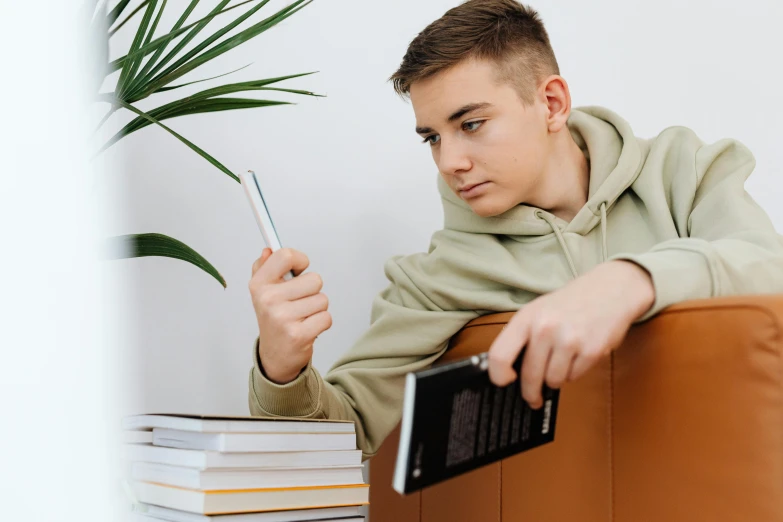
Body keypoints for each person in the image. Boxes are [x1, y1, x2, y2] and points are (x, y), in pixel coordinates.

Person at [247, 0, 783, 460]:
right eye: (431, 137)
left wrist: (627, 281)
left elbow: (767, 265)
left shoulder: (684, 170)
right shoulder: (438, 278)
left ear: (551, 103)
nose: (449, 160)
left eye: (471, 124)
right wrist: (281, 368)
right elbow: (347, 435)